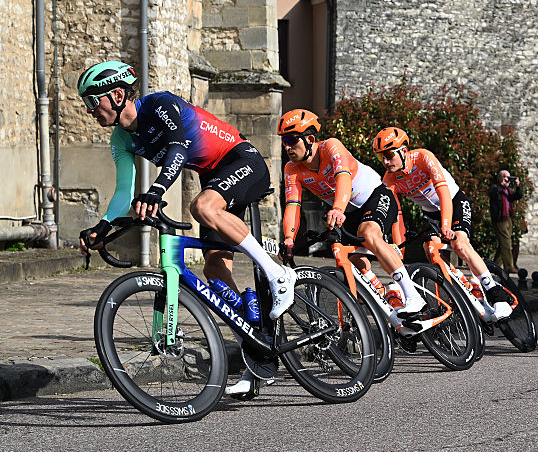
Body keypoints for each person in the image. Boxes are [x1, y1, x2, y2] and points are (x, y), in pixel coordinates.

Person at [77, 61, 296, 397]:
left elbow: (178, 148)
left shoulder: (158, 105)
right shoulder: (121, 139)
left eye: (94, 102)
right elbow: (124, 190)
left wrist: (157, 190)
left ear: (118, 94)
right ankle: (256, 356)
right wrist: (102, 227)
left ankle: (276, 273)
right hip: (213, 178)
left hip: (242, 161)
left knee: (203, 207)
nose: (90, 110)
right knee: (214, 270)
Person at [278, 110, 429, 333]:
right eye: (283, 141)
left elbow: (343, 178)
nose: (287, 147)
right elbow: (293, 205)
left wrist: (337, 209)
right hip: (348, 211)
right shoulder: (292, 169)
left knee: (369, 234)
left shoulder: (331, 146)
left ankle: (412, 296)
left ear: (310, 139)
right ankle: (388, 303)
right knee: (352, 260)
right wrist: (289, 239)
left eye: (291, 140)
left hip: (375, 197)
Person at [375, 127, 512, 319]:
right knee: (431, 250)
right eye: (381, 157)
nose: (386, 161)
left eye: (389, 155)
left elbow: (444, 193)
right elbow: (397, 217)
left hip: (453, 201)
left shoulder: (423, 158)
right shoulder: (389, 179)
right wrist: (398, 249)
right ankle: (463, 285)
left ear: (404, 150)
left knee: (459, 244)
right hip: (431, 212)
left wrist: (446, 225)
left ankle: (496, 295)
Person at [489, 169, 524, 274]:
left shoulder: (508, 191)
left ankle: (494, 266)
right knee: (506, 242)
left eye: (508, 177)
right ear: (499, 177)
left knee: (503, 243)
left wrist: (517, 186)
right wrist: (501, 185)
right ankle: (509, 266)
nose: (507, 179)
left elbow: (518, 196)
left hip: (508, 218)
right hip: (500, 219)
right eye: (504, 176)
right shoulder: (495, 188)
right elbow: (493, 194)